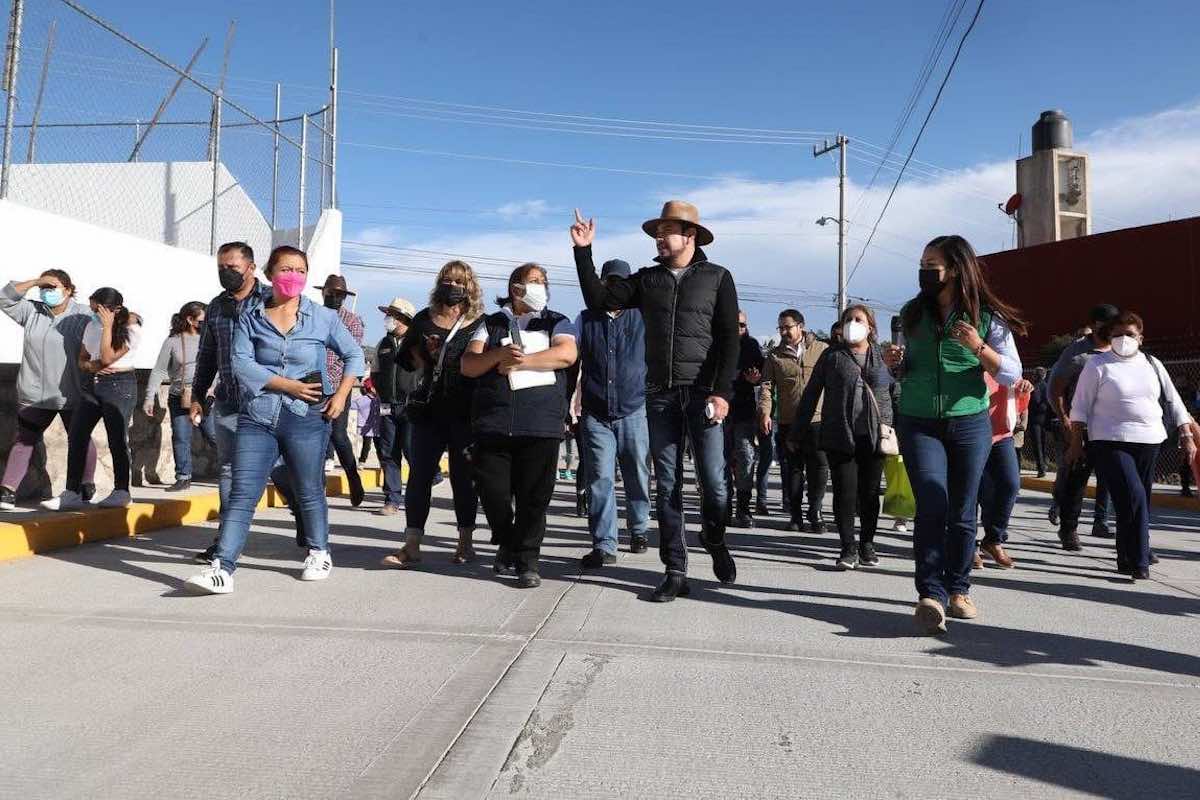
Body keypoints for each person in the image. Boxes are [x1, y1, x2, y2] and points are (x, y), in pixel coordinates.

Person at [572, 202, 740, 602]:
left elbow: (729, 339)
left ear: (690, 235)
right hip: (660, 397)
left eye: (668, 231)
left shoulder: (717, 278)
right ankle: (676, 569)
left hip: (703, 394)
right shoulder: (646, 280)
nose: (660, 238)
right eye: (657, 232)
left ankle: (714, 538)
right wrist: (583, 252)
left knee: (715, 484)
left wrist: (721, 392)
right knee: (667, 485)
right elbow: (600, 300)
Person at [184, 246, 363, 594]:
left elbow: (354, 355)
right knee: (242, 492)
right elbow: (240, 363)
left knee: (308, 488)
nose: (292, 276)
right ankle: (223, 568)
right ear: (269, 273)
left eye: (299, 270)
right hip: (257, 416)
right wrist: (288, 385)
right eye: (285, 269)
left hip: (307, 416)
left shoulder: (322, 318)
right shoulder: (251, 316)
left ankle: (319, 551)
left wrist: (340, 396)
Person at [884, 235, 1024, 634]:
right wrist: (895, 363)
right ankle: (930, 593)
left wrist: (979, 346)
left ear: (957, 269)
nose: (925, 270)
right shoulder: (912, 313)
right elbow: (905, 367)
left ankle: (959, 588)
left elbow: (1012, 373)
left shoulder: (986, 317)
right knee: (932, 498)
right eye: (923, 263)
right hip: (918, 419)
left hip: (969, 422)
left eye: (933, 263)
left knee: (963, 511)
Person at [462, 263, 578, 587]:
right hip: (494, 423)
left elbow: (566, 355)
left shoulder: (558, 322)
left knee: (533, 498)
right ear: (516, 288)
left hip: (540, 423)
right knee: (493, 493)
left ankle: (528, 561)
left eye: (543, 282)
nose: (540, 287)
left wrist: (522, 361)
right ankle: (506, 540)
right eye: (533, 281)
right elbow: (469, 364)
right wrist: (497, 357)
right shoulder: (491, 324)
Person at [1067, 312, 1197, 580]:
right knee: (1134, 495)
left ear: (1140, 337)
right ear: (1108, 337)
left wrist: (1185, 433)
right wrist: (1076, 442)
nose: (1123, 339)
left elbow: (1173, 401)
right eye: (1117, 334)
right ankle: (1140, 559)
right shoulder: (1098, 365)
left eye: (1129, 334)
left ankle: (1125, 557)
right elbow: (1079, 407)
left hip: (1149, 441)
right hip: (1109, 441)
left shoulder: (1152, 364)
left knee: (1135, 502)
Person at [382, 262, 484, 567]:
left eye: (458, 281)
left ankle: (465, 543)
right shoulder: (424, 319)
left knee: (464, 480)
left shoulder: (481, 322)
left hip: (466, 411)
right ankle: (412, 543)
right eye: (446, 280)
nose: (452, 286)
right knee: (420, 476)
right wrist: (426, 352)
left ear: (470, 287)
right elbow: (408, 362)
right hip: (428, 410)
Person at [188, 242, 274, 562]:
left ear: (251, 268)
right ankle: (225, 541)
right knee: (228, 469)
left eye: (233, 268)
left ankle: (310, 528)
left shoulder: (273, 301)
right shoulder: (215, 307)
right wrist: (198, 394)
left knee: (282, 469)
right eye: (221, 268)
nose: (226, 273)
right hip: (229, 401)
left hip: (269, 401)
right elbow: (207, 354)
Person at [793, 304, 892, 569]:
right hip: (840, 436)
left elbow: (895, 393)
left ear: (870, 326)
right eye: (848, 319)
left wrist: (899, 428)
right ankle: (848, 547)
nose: (852, 323)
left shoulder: (882, 357)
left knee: (870, 495)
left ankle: (867, 544)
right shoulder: (832, 357)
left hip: (875, 437)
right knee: (845, 493)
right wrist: (798, 430)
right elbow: (811, 393)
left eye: (858, 319)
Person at [574, 258, 652, 569]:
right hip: (596, 412)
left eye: (621, 282)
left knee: (637, 473)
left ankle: (639, 528)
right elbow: (572, 362)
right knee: (600, 479)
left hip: (634, 408)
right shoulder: (585, 318)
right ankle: (605, 544)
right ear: (602, 284)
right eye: (609, 282)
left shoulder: (643, 316)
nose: (614, 288)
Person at [0, 271, 97, 511]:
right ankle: (7, 491)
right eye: (43, 287)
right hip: (35, 393)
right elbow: (4, 298)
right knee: (24, 440)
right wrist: (34, 282)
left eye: (52, 286)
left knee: (81, 438)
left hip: (72, 393)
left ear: (68, 289)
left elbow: (114, 326)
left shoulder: (84, 315)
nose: (46, 291)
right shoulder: (32, 311)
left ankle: (86, 485)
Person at [44, 287, 143, 510]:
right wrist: (93, 366)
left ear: (114, 309)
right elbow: (83, 360)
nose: (94, 313)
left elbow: (108, 357)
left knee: (117, 438)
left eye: (98, 309)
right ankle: (72, 491)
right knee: (77, 434)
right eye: (92, 308)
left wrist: (108, 327)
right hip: (93, 384)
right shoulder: (91, 325)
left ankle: (121, 491)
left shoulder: (132, 328)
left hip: (120, 385)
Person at [1049, 305, 1119, 547]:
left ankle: (1105, 524)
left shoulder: (1123, 350)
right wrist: (1066, 420)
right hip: (1083, 428)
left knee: (1111, 479)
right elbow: (1055, 388)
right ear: (1097, 324)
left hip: (1113, 429)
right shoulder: (1077, 353)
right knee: (1077, 480)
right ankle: (1069, 528)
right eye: (1107, 324)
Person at [759, 309, 829, 532]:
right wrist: (765, 413)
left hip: (818, 421)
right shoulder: (774, 356)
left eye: (787, 327)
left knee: (819, 468)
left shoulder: (821, 350)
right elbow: (767, 388)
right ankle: (796, 515)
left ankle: (815, 511)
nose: (784, 331)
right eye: (780, 328)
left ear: (801, 326)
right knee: (793, 469)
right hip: (790, 422)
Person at [143, 300, 216, 491]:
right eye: (202, 319)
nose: (205, 323)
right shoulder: (174, 342)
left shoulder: (211, 339)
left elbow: (220, 368)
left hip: (206, 397)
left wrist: (213, 389)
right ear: (190, 319)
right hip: (181, 396)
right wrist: (150, 397)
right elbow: (159, 370)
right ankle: (183, 477)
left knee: (215, 435)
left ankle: (235, 471)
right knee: (181, 436)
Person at [975, 372, 1034, 569]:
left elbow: (1020, 404)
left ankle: (993, 539)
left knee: (1010, 484)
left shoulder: (1007, 364)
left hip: (1002, 435)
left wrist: (1024, 389)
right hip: (970, 434)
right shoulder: (969, 356)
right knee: (971, 490)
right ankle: (966, 545)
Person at [319, 275, 366, 506]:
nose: (335, 298)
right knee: (315, 438)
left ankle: (352, 476)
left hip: (339, 386)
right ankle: (316, 490)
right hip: (312, 386)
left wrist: (336, 385)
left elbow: (350, 356)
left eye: (340, 295)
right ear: (323, 293)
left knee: (338, 435)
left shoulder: (353, 321)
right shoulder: (312, 315)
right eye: (331, 293)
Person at [371, 297, 419, 515]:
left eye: (393, 315)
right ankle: (392, 499)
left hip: (412, 406)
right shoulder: (383, 344)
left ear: (404, 319)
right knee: (389, 452)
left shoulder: (419, 343)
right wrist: (380, 393)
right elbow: (375, 372)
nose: (388, 319)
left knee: (411, 450)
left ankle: (427, 482)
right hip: (388, 406)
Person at [726, 310, 764, 528]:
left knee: (745, 457)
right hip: (716, 411)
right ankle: (723, 506)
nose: (738, 328)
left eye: (742, 325)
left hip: (743, 411)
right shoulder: (715, 341)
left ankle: (743, 507)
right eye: (734, 324)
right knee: (719, 461)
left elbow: (762, 374)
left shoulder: (751, 345)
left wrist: (755, 379)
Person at [1026, 366, 1052, 477]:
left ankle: (1041, 468)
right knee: (1043, 443)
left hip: (1035, 419)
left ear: (1036, 376)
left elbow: (1036, 400)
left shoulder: (1035, 387)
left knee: (1037, 444)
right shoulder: (1048, 387)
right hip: (1045, 419)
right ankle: (1044, 464)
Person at [355, 378, 381, 464]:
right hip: (368, 428)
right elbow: (351, 404)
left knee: (376, 445)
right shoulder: (363, 400)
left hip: (375, 427)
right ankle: (362, 461)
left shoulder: (379, 399)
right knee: (369, 445)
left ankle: (381, 461)